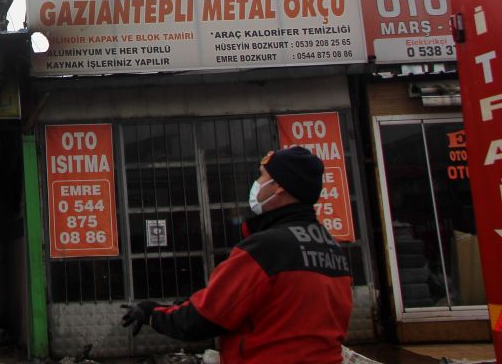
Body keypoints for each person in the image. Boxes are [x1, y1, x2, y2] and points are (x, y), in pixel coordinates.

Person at [121, 146, 352, 363]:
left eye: (261, 176)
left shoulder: (266, 248)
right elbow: (275, 310)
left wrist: (152, 313)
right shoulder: (330, 246)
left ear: (279, 187)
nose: (256, 183)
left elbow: (206, 317)